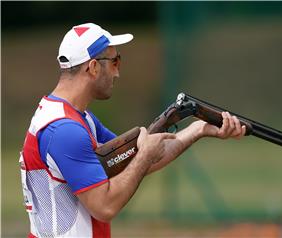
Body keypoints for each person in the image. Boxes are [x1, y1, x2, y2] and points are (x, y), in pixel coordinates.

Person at [19, 23, 247, 238]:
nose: (118, 73)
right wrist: (145, 154)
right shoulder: (65, 131)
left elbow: (131, 159)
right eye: (115, 62)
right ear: (93, 67)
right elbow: (105, 206)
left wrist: (198, 129)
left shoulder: (75, 117)